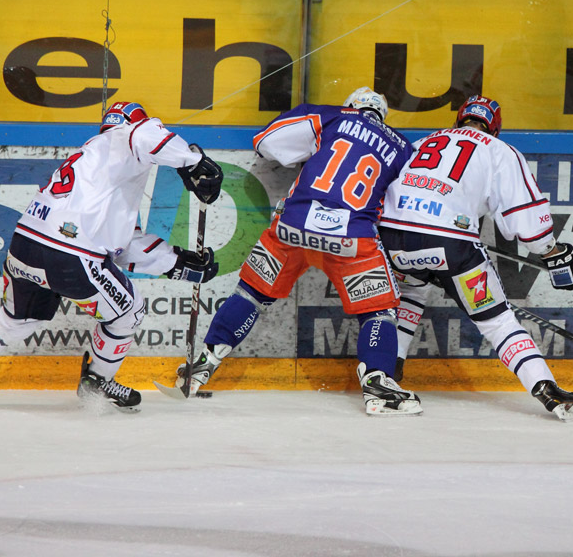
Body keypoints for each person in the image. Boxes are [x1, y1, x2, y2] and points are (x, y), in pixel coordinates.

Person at [170, 87, 423, 416]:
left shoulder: (333, 116)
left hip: (294, 226)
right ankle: (377, 383)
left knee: (251, 294)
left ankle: (203, 365)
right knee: (378, 311)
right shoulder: (403, 147)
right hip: (351, 238)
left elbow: (266, 142)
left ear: (352, 105)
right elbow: (404, 203)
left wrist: (310, 150)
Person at [0, 101, 223, 411]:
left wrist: (177, 262)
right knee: (129, 311)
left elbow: (122, 244)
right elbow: (145, 134)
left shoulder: (94, 169)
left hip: (24, 245)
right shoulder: (124, 138)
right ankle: (96, 382)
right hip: (68, 253)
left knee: (14, 320)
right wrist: (192, 161)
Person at [377, 95, 573, 421]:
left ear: (459, 118)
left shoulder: (420, 141)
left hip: (393, 238)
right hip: (451, 245)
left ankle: (387, 374)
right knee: (497, 321)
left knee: (411, 292)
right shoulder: (498, 150)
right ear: (495, 127)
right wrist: (554, 253)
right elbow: (528, 223)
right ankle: (546, 388)